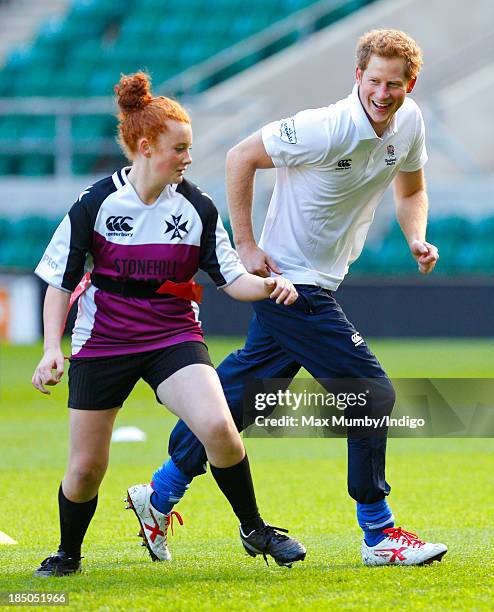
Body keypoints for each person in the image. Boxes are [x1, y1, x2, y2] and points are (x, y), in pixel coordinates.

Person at [143, 29, 448, 566]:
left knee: (242, 396)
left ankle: (158, 494)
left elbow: (411, 189)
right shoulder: (324, 127)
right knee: (370, 394)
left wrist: (415, 236)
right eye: (373, 81)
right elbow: (241, 156)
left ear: (410, 84)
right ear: (358, 77)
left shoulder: (411, 121)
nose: (382, 93)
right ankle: (378, 534)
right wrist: (245, 245)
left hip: (320, 278)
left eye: (393, 85)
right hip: (290, 281)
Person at [31, 72, 306, 577]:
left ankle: (255, 530)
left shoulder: (198, 208)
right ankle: (68, 554)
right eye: (180, 148)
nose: (188, 158)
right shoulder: (94, 204)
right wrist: (52, 347)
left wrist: (270, 286)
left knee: (220, 427)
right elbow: (58, 282)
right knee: (87, 469)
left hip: (172, 336)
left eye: (190, 148)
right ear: (145, 147)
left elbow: (231, 279)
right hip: (104, 341)